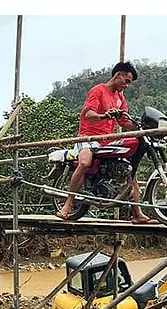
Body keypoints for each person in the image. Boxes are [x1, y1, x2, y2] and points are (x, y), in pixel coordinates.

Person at [56, 61, 156, 224]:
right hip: (88, 138)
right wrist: (103, 116)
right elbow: (88, 114)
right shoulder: (98, 91)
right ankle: (67, 205)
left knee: (130, 169)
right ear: (118, 75)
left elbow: (124, 121)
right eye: (127, 81)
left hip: (108, 140)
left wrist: (143, 127)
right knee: (84, 163)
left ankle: (137, 213)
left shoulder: (120, 98)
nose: (127, 85)